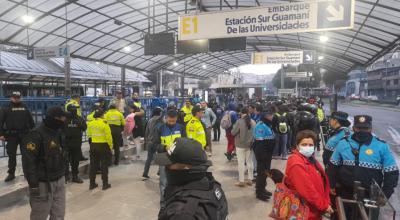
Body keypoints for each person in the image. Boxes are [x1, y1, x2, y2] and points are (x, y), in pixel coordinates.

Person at [328, 115, 399, 200]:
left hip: (370, 196)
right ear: (353, 128)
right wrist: (331, 185)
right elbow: (333, 166)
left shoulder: (382, 146)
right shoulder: (343, 143)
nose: (362, 131)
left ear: (371, 129)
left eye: (365, 128)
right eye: (359, 128)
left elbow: (391, 172)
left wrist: (385, 194)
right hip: (345, 192)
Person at [156, 138, 228, 220]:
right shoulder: (213, 186)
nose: (166, 167)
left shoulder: (182, 213)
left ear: (185, 168)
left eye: (169, 164)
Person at [21, 106, 68, 220]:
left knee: (59, 215)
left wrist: (66, 172)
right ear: (54, 118)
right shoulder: (35, 135)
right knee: (40, 215)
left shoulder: (58, 132)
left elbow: (62, 155)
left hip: (59, 180)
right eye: (62, 118)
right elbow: (28, 162)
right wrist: (33, 185)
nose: (64, 120)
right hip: (43, 184)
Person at [285, 130, 333, 220]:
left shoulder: (310, 159)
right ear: (297, 146)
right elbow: (308, 191)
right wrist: (323, 205)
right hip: (303, 211)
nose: (308, 147)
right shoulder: (296, 163)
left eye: (311, 145)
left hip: (312, 209)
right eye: (304, 144)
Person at [0, 91, 35, 182]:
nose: (16, 99)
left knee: (26, 155)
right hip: (11, 135)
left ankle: (27, 172)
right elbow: (1, 122)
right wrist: (1, 134)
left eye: (18, 97)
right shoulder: (6, 108)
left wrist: (33, 132)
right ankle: (11, 173)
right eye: (15, 97)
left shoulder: (25, 107)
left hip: (24, 134)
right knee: (12, 156)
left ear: (21, 97)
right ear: (11, 98)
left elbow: (31, 121)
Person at [157, 109, 186, 207]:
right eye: (169, 121)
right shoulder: (160, 128)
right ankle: (163, 203)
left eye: (173, 121)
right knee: (163, 181)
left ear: (176, 119)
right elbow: (154, 144)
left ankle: (176, 200)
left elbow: (185, 142)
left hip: (177, 157)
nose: (171, 123)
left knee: (177, 180)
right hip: (163, 156)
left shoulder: (181, 128)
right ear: (166, 118)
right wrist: (164, 147)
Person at [87, 109, 113, 190]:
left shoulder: (90, 123)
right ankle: (105, 184)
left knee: (93, 165)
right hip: (103, 146)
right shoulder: (104, 123)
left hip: (93, 145)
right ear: (102, 115)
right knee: (104, 165)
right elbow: (108, 137)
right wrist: (110, 146)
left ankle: (92, 184)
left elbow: (89, 135)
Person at [253, 110, 275, 201]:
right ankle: (259, 192)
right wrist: (262, 156)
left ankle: (263, 189)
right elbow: (259, 143)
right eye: (271, 115)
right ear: (266, 116)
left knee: (265, 173)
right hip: (263, 155)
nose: (272, 117)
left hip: (267, 154)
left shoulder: (267, 125)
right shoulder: (260, 126)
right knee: (261, 173)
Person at [231, 108, 255, 187]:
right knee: (250, 162)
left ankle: (241, 181)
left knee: (241, 163)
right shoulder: (253, 122)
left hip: (240, 145)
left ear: (241, 113)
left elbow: (233, 132)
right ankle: (250, 179)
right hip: (250, 145)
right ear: (248, 113)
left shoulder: (239, 121)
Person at [64, 104, 87, 184]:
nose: (75, 110)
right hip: (66, 143)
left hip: (76, 143)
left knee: (75, 161)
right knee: (65, 160)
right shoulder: (64, 119)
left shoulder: (79, 118)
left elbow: (84, 127)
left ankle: (75, 176)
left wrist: (77, 122)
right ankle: (66, 176)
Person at [142, 107, 164, 179]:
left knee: (149, 158)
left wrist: (146, 141)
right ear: (159, 113)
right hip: (158, 142)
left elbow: (146, 132)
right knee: (161, 158)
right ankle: (159, 172)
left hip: (150, 142)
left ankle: (145, 173)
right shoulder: (161, 121)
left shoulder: (150, 120)